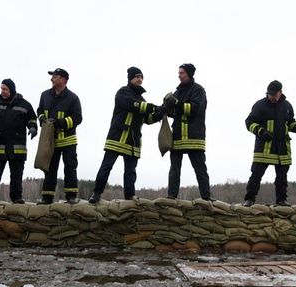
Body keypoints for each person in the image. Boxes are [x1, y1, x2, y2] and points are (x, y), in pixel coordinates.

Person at [89, 67, 164, 204]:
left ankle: (130, 196)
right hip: (117, 137)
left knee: (130, 172)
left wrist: (161, 111)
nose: (140, 79)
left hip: (133, 141)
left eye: (142, 77)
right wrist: (155, 107)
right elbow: (134, 106)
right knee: (106, 167)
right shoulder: (123, 92)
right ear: (130, 78)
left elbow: (148, 119)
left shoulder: (142, 99)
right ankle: (96, 193)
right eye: (137, 76)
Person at [243, 80, 296, 207]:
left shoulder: (287, 106)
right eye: (270, 94)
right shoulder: (259, 105)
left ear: (280, 93)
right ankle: (249, 199)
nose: (272, 97)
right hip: (264, 148)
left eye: (274, 94)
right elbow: (249, 122)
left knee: (282, 178)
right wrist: (261, 132)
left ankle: (281, 200)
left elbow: (290, 124)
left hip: (282, 148)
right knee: (256, 175)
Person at [0, 79, 37, 204]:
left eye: (5, 89)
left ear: (11, 89)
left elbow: (32, 119)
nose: (2, 91)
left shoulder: (24, 104)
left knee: (17, 175)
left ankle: (16, 197)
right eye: (1, 88)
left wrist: (33, 128)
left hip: (18, 146)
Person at [163, 63, 212, 201]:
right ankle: (171, 196)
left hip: (194, 137)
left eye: (182, 73)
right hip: (177, 137)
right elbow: (174, 112)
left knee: (200, 169)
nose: (179, 75)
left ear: (189, 74)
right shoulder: (177, 92)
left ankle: (206, 197)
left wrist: (176, 104)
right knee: (174, 169)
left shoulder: (198, 90)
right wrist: (166, 107)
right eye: (179, 73)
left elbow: (195, 109)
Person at [37, 68, 82, 204]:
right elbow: (39, 110)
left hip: (68, 140)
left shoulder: (73, 98)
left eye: (55, 77)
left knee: (70, 167)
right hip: (50, 140)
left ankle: (71, 196)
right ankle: (47, 197)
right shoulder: (44, 95)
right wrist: (42, 119)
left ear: (63, 80)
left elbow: (78, 118)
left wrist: (60, 123)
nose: (52, 79)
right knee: (49, 168)